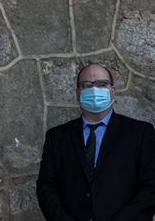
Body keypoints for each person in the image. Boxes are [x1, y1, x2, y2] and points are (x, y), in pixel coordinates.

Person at [36, 62, 155, 221]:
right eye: (86, 85)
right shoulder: (56, 138)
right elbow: (46, 188)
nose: (94, 89)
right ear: (78, 93)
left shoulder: (141, 133)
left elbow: (151, 188)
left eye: (102, 84)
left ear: (113, 91)